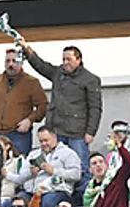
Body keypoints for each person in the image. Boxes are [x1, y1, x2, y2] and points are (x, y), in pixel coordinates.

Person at [19, 40, 103, 180]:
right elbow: (41, 65)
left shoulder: (91, 79)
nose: (65, 62)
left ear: (79, 59)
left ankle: (83, 198)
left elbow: (95, 108)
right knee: (56, 167)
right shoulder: (58, 73)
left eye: (69, 59)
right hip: (56, 130)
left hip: (77, 133)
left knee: (81, 168)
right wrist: (27, 50)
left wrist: (91, 132)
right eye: (63, 59)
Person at [0, 47, 47, 158]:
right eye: (7, 61)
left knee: (19, 167)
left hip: (19, 134)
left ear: (21, 63)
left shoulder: (32, 82)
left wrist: (30, 120)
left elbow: (43, 106)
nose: (11, 64)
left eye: (14, 61)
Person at [6, 128, 83, 207]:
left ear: (54, 137)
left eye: (46, 140)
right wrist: (30, 173)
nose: (43, 144)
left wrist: (54, 171)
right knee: (11, 205)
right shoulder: (33, 154)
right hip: (32, 192)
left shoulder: (68, 153)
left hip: (55, 190)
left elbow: (76, 175)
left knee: (47, 203)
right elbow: (20, 178)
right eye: (41, 141)